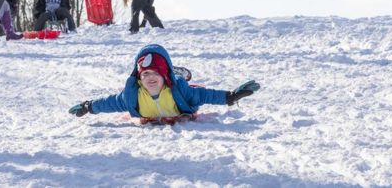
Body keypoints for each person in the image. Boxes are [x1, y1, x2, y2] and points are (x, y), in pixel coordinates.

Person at [68, 44, 260, 123]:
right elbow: (109, 102)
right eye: (145, 74)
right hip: (159, 97)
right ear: (139, 77)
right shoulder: (133, 95)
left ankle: (176, 73)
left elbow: (205, 95)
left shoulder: (180, 91)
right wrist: (89, 106)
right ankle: (172, 70)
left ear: (163, 76)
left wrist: (230, 96)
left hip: (176, 86)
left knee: (189, 85)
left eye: (155, 74)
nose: (149, 78)